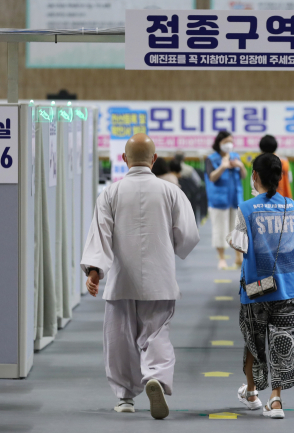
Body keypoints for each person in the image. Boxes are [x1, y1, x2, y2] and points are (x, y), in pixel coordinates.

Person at [80, 133, 200, 420]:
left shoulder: (110, 193)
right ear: (154, 159)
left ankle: (124, 397)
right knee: (156, 333)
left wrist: (95, 271)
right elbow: (188, 237)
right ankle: (155, 376)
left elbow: (101, 235)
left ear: (124, 160)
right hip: (160, 278)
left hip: (121, 279)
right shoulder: (171, 191)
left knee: (119, 339)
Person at [226, 153, 294, 420]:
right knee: (282, 341)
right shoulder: (290, 205)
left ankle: (252, 394)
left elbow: (240, 243)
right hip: (289, 285)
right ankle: (275, 400)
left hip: (256, 287)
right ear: (279, 177)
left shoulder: (246, 208)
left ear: (255, 176)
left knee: (254, 340)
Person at [205, 130, 247, 269]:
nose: (229, 144)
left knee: (238, 230)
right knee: (220, 229)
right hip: (218, 200)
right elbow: (211, 177)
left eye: (230, 141)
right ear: (219, 143)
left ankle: (238, 257)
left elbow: (244, 176)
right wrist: (222, 167)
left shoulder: (235, 157)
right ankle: (221, 258)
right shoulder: (211, 158)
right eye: (225, 142)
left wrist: (240, 166)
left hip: (235, 198)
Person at [258, 134, 293, 198]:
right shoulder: (285, 161)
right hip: (283, 200)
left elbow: (254, 183)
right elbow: (290, 179)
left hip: (266, 200)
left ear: (261, 148)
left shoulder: (259, 162)